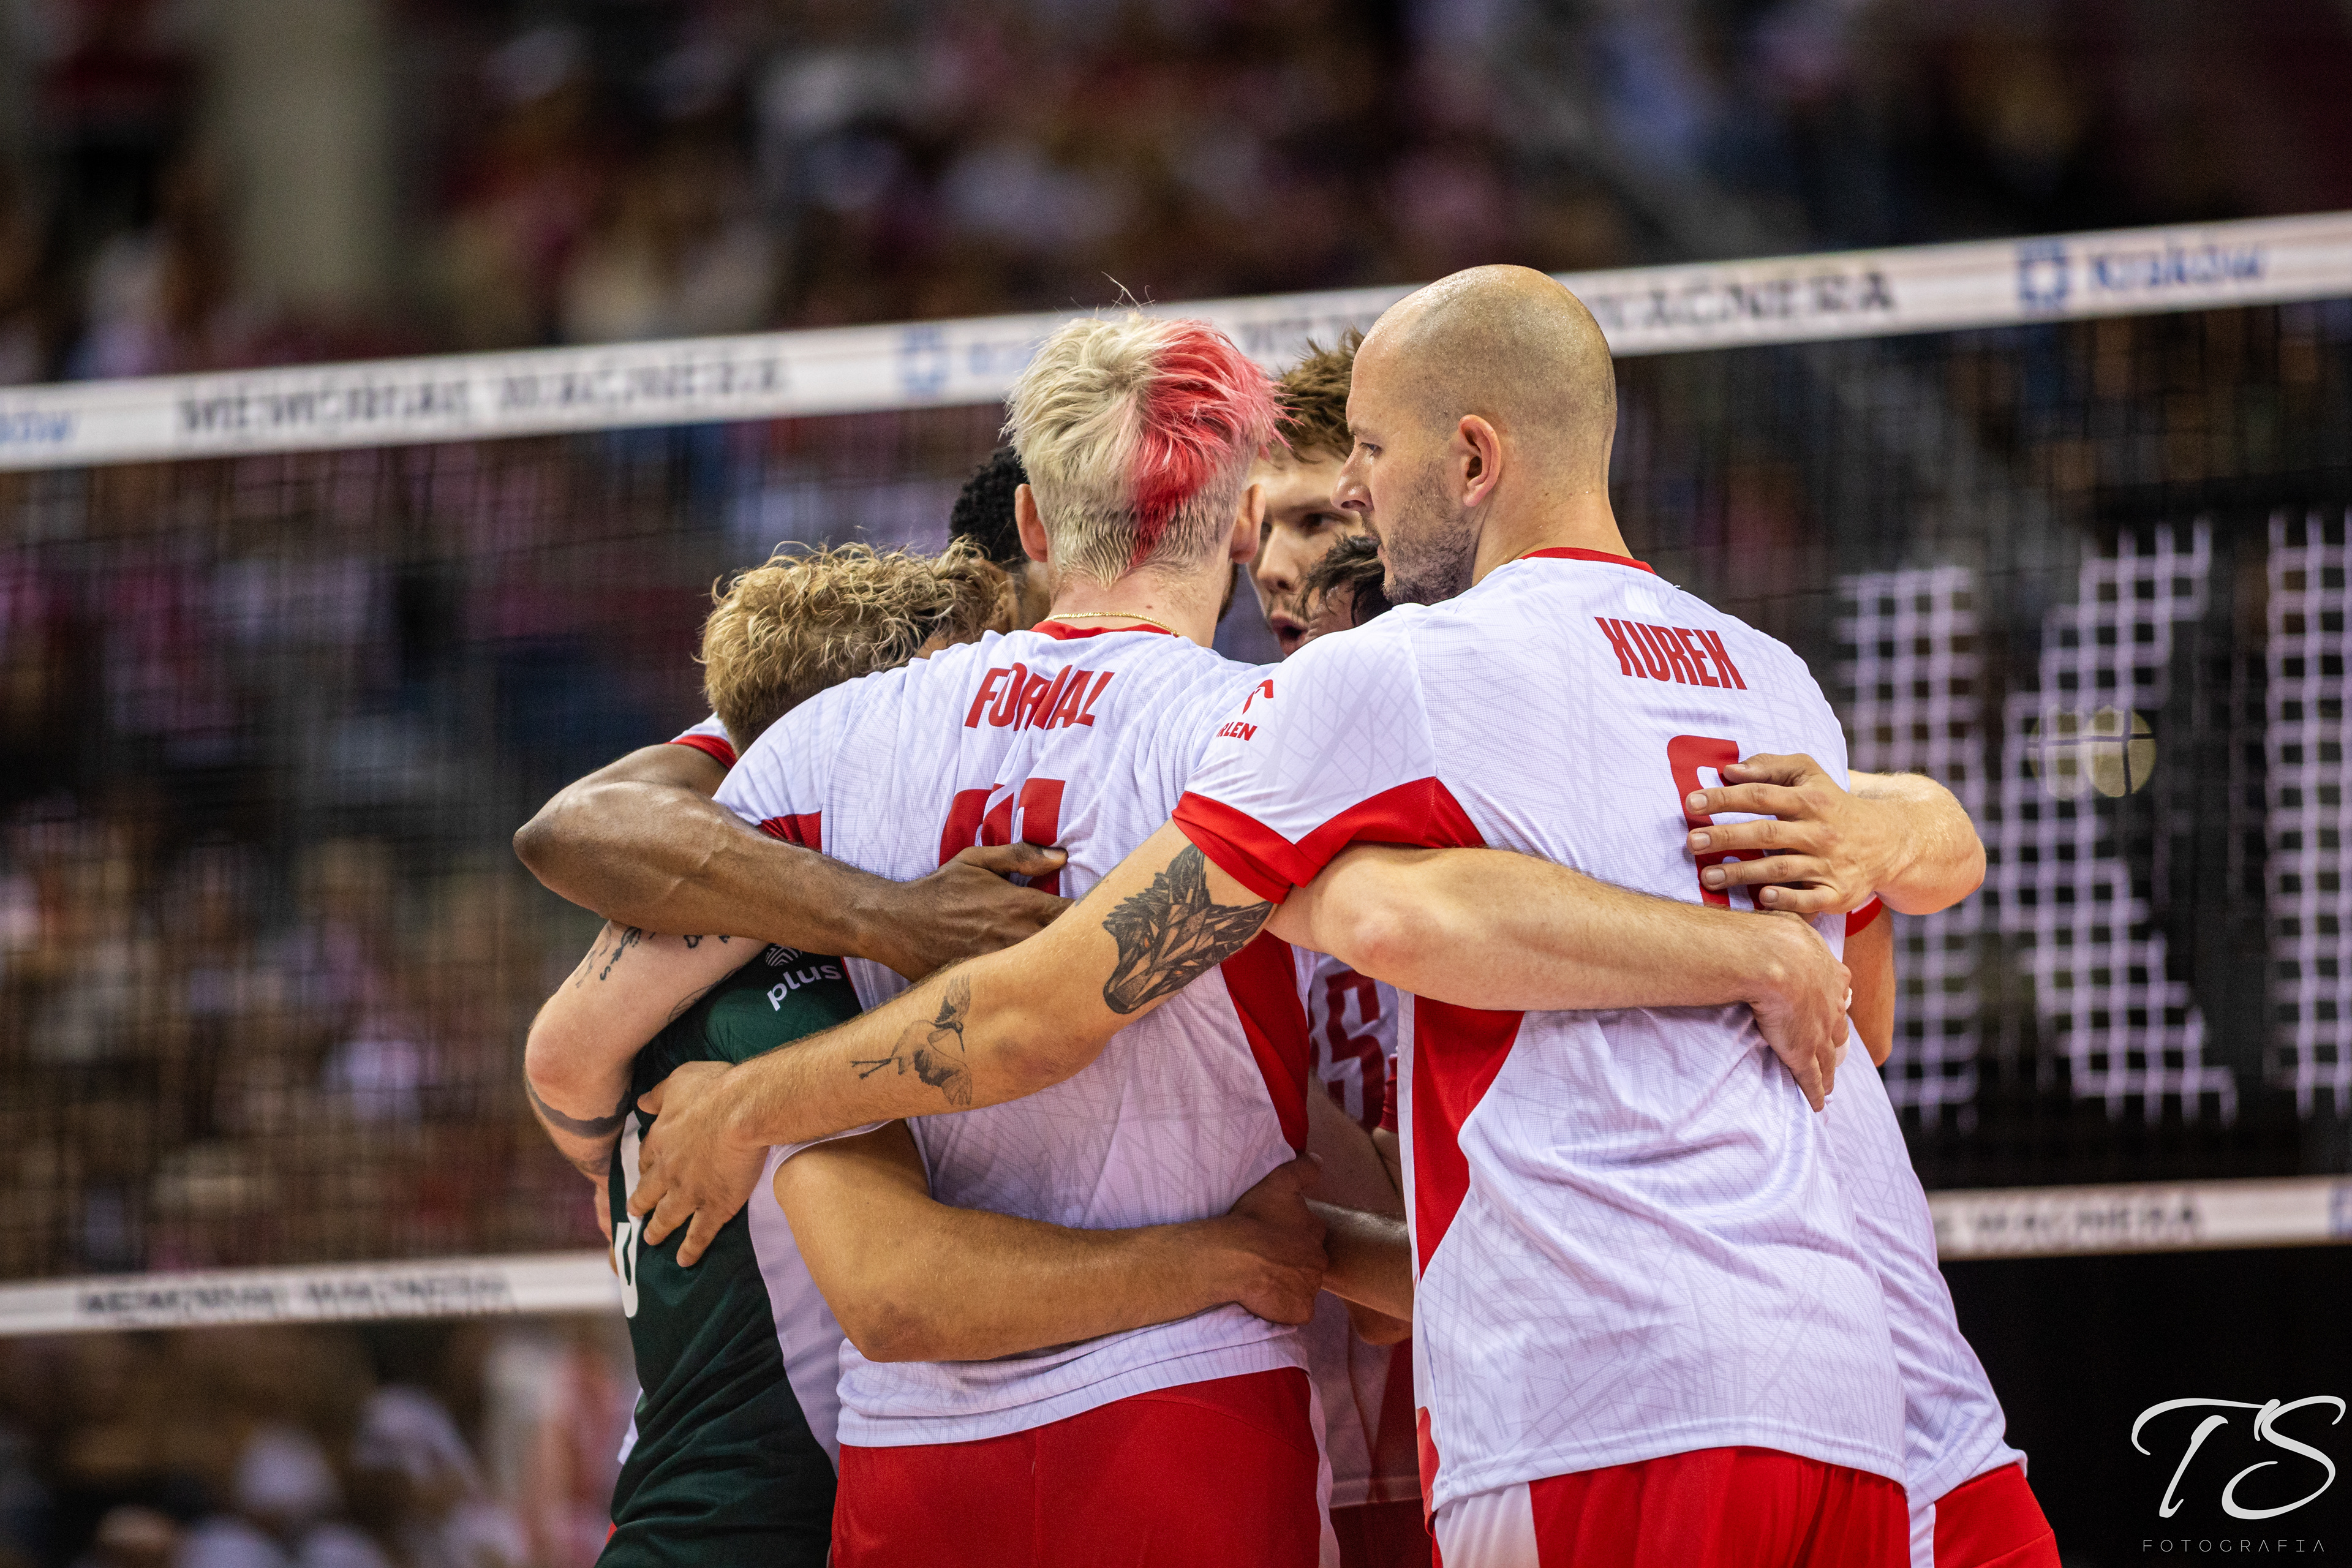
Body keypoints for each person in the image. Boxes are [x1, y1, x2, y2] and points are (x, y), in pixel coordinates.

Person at [622, 271, 1978, 1566]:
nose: (1356, 500)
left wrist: (751, 1099)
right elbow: (1858, 1025)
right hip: (1839, 1391)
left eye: (1367, 459)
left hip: (1581, 1393)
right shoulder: (1771, 678)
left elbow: (1088, 992)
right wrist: (1840, 884)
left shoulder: (1382, 678)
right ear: (1224, 525)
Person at [526, 541, 1330, 1568]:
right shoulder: (787, 995)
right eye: (947, 695)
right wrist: (1225, 1258)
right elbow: (901, 1291)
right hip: (740, 1538)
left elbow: (558, 1064)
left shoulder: (693, 960)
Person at [510, 452, 1067, 986]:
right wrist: (894, 916)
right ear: (1000, 587)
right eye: (1072, 583)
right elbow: (571, 828)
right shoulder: (872, 681)